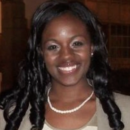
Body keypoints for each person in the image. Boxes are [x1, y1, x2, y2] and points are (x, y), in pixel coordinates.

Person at [0, 0, 130, 130]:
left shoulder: (126, 110)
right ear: (41, 53)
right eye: (53, 47)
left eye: (77, 43)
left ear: (92, 47)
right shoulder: (10, 115)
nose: (66, 56)